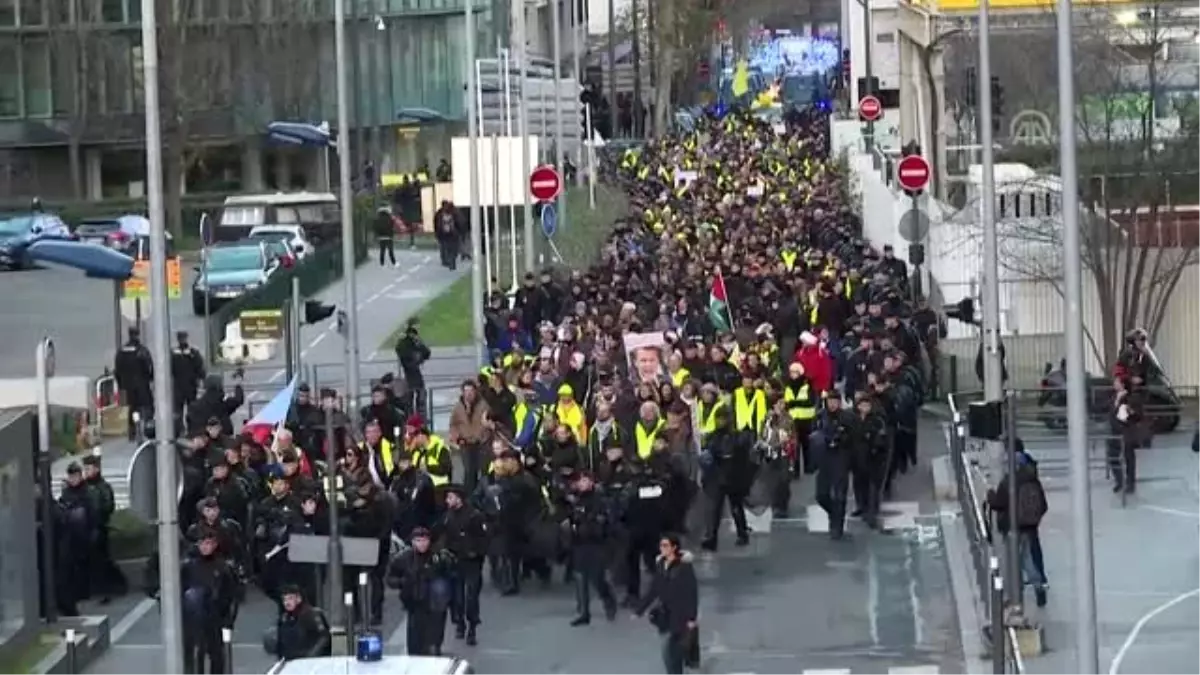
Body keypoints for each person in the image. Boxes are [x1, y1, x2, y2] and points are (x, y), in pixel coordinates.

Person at [634, 534, 699, 675]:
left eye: (665, 545)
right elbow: (654, 589)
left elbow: (691, 593)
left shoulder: (684, 568)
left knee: (673, 652)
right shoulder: (660, 565)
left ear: (674, 547)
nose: (662, 548)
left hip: (680, 616)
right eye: (661, 545)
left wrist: (692, 618)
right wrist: (640, 609)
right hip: (665, 616)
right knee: (668, 653)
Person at [386, 527, 455, 656]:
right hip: (414, 603)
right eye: (418, 540)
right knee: (415, 641)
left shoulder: (438, 556)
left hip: (435, 604)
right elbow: (390, 578)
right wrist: (403, 582)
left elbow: (451, 575)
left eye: (424, 540)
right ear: (412, 542)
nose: (422, 544)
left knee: (433, 638)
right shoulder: (404, 558)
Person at [180, 531, 242, 675]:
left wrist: (228, 621)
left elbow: (232, 594)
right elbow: (181, 591)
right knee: (195, 655)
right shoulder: (189, 566)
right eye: (202, 543)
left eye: (209, 543)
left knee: (217, 656)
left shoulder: (223, 567)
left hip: (214, 617)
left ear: (215, 545)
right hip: (193, 619)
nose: (205, 547)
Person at [435, 485, 488, 645]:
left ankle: (472, 627)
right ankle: (459, 623)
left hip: (471, 562)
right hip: (455, 561)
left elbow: (484, 538)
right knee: (457, 597)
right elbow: (442, 535)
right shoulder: (447, 517)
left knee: (471, 596)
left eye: (450, 497)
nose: (447, 501)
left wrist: (476, 552)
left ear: (459, 498)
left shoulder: (474, 516)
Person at [564, 471, 618, 625]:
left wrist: (590, 524)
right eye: (580, 481)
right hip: (579, 542)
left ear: (592, 482)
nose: (582, 484)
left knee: (597, 578)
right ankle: (584, 613)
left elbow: (602, 521)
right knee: (580, 577)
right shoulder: (576, 500)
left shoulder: (599, 500)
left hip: (596, 544)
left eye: (585, 481)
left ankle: (608, 599)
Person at [700, 407, 752, 551]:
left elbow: (740, 457)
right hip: (717, 477)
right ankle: (712, 538)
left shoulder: (737, 437)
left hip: (733, 477)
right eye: (718, 418)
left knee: (736, 507)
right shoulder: (712, 436)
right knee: (714, 510)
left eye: (723, 418)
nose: (720, 421)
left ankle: (742, 533)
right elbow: (708, 456)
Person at [82, 454, 126, 602]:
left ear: (96, 468)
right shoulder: (85, 487)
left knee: (102, 560)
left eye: (89, 468)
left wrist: (98, 514)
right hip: (86, 528)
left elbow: (108, 506)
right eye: (85, 469)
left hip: (99, 528)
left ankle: (107, 590)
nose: (86, 472)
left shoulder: (103, 487)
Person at [271, 585, 332, 660]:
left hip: (311, 663)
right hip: (289, 664)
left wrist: (311, 656)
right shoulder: (284, 619)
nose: (287, 602)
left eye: (290, 598)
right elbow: (280, 644)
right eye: (284, 599)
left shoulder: (312, 615)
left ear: (299, 599)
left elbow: (324, 638)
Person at [113, 327, 154, 440]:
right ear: (138, 335)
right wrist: (150, 379)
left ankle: (133, 431)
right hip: (141, 387)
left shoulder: (121, 351)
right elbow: (149, 368)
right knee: (147, 407)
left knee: (132, 408)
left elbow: (117, 370)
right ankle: (146, 429)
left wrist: (121, 384)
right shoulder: (142, 351)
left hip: (127, 387)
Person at [394, 319, 431, 416]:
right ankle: (412, 418)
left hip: (414, 372)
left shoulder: (415, 342)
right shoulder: (405, 343)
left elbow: (426, 353)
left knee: (419, 395)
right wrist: (416, 357)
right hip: (410, 372)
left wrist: (419, 345)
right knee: (411, 398)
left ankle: (417, 417)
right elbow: (402, 353)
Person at [170, 330, 206, 422]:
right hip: (183, 385)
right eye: (181, 338)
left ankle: (189, 427)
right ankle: (182, 428)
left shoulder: (176, 353)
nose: (182, 340)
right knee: (181, 409)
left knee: (188, 408)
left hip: (187, 384)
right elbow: (200, 368)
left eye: (183, 338)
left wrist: (202, 378)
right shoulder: (191, 352)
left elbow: (200, 367)